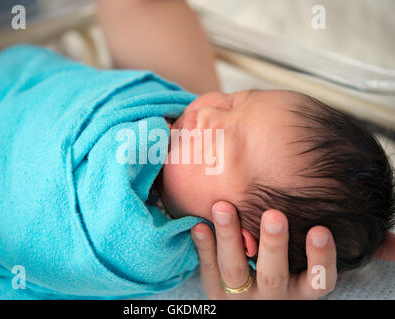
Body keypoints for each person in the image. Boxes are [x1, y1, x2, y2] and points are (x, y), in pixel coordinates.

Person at [98, 0, 395, 299]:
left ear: (241, 244)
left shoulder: (141, 253)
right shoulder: (173, 99)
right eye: (235, 100)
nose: (209, 112)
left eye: (219, 144)